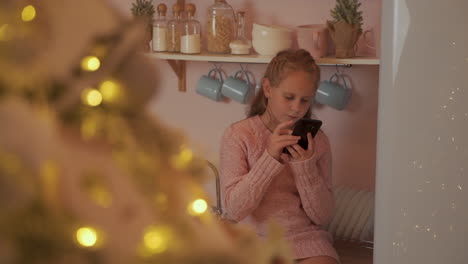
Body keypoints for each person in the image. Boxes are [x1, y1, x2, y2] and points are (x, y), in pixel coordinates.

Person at [219, 49, 338, 264]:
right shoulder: (238, 135)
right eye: (289, 97)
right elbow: (235, 210)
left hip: (305, 240)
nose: (296, 108)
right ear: (267, 88)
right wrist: (270, 157)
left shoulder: (318, 142)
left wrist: (306, 168)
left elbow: (323, 216)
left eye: (305, 100)